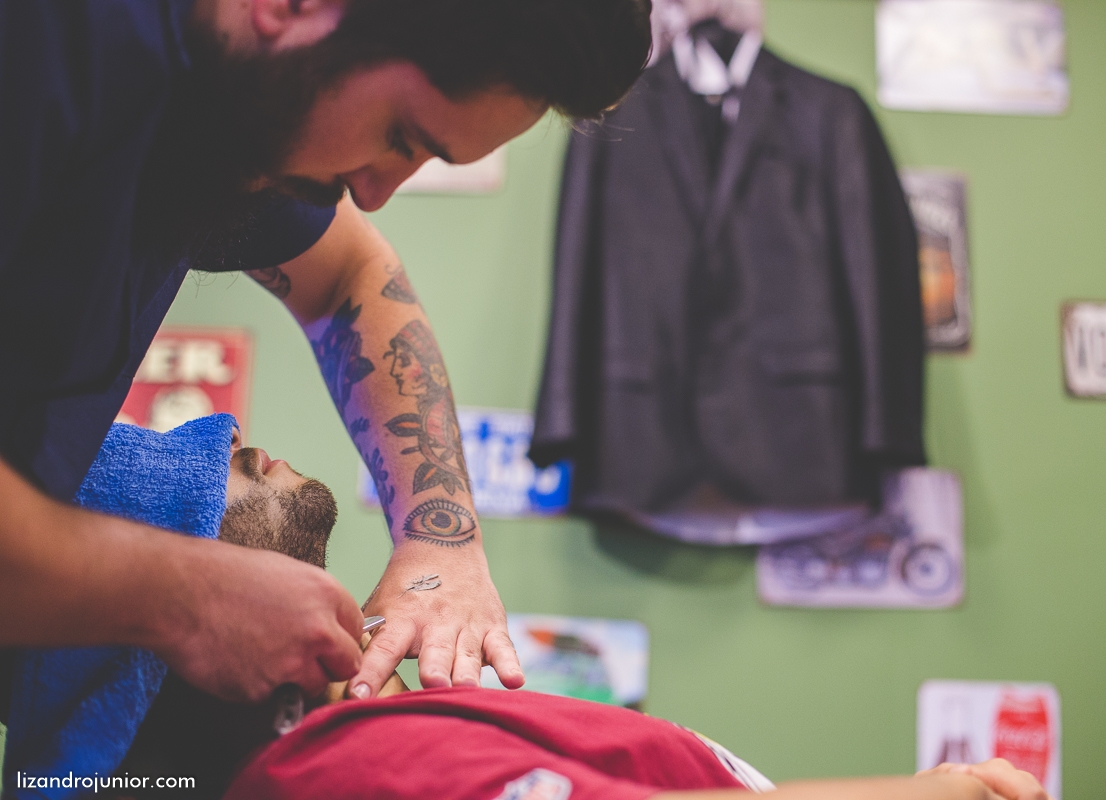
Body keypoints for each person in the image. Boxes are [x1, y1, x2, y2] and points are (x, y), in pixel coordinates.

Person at [0, 0, 653, 708]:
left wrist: (443, 542)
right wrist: (188, 594)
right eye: (400, 134)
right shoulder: (43, 44)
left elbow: (353, 278)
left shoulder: (223, 108)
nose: (374, 191)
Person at [4, 419, 1048, 800]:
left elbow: (347, 266)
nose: (239, 441)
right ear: (181, 632)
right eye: (191, 494)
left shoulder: (345, 739)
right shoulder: (328, 773)